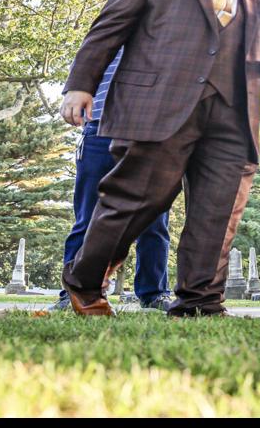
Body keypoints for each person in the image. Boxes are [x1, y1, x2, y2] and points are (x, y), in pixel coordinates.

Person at [58, 0, 260, 317]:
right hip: (159, 110)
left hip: (234, 122)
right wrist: (81, 86)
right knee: (134, 201)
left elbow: (257, 59)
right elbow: (107, 30)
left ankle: (200, 302)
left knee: (217, 215)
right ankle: (83, 284)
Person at [51, 48, 175, 313]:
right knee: (87, 218)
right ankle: (72, 293)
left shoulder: (169, 34)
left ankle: (154, 293)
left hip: (152, 131)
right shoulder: (111, 30)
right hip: (101, 127)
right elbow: (87, 63)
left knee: (154, 221)